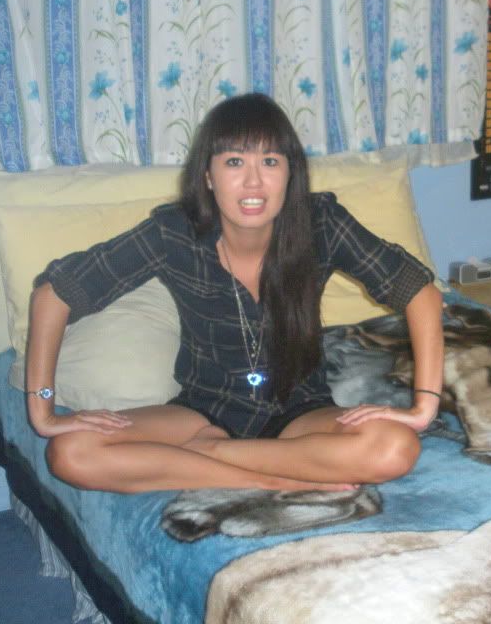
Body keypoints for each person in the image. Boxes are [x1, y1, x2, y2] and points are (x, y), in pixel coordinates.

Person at [25, 93, 444, 493]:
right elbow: (54, 294)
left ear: (290, 173)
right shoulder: (174, 233)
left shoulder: (321, 224)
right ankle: (276, 480)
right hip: (201, 411)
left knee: (395, 448)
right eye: (234, 162)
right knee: (70, 453)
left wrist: (424, 405)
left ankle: (214, 455)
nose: (253, 181)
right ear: (208, 176)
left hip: (300, 411)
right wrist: (43, 410)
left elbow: (418, 291)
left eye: (270, 161)